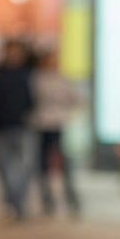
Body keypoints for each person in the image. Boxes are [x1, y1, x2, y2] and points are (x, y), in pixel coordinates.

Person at [0, 40, 36, 219]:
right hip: (1, 128)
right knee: (4, 168)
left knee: (24, 168)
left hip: (22, 127)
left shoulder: (27, 74)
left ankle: (17, 203)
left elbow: (32, 99)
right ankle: (13, 201)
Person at [29, 49, 85, 216]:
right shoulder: (36, 79)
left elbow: (77, 99)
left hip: (59, 125)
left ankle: (71, 200)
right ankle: (48, 200)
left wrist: (64, 111)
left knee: (64, 164)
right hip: (41, 125)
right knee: (42, 165)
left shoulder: (63, 79)